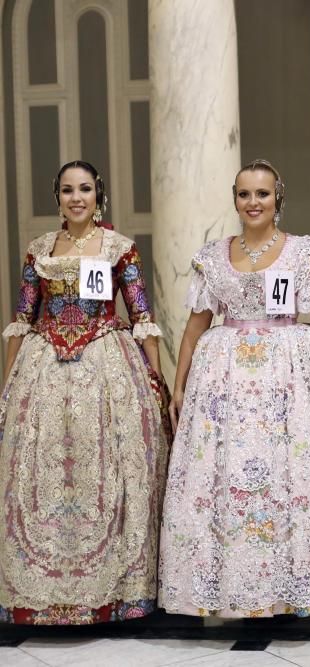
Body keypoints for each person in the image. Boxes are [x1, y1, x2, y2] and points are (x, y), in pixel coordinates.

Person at [159, 159, 310, 617]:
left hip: (289, 377)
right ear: (235, 199)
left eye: (262, 194)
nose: (253, 203)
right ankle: (228, 588)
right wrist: (179, 385)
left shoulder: (304, 252)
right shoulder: (212, 255)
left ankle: (291, 590)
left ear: (278, 198)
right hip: (223, 381)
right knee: (225, 474)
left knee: (289, 474)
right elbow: (194, 328)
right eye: (244, 194)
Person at [0, 160, 168, 624]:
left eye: (86, 189)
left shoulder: (120, 249)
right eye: (68, 190)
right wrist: (7, 387)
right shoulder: (38, 250)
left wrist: (155, 383)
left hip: (105, 369)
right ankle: (41, 591)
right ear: (57, 197)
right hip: (44, 374)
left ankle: (115, 591)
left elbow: (142, 319)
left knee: (105, 472)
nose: (77, 198)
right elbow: (22, 320)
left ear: (99, 196)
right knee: (42, 474)